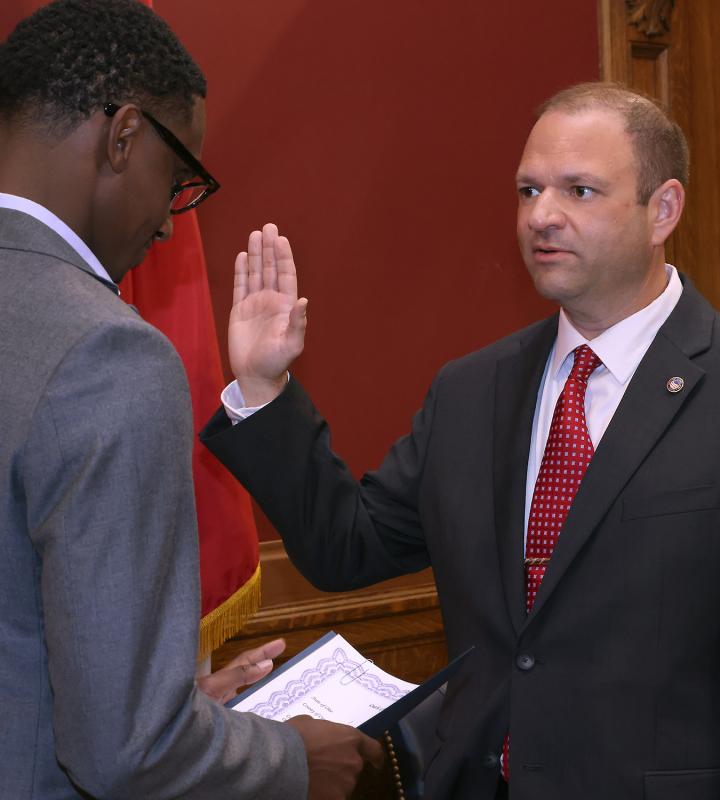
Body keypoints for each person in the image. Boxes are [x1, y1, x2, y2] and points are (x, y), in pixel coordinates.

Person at [201, 82, 720, 799]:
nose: (541, 216)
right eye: (527, 190)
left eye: (579, 191)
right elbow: (345, 546)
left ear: (662, 209)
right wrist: (266, 389)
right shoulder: (472, 390)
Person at [0, 1, 383, 798]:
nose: (173, 229)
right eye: (179, 182)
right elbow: (125, 753)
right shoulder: (108, 355)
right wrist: (293, 761)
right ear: (123, 137)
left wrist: (168, 710)